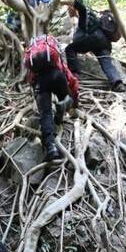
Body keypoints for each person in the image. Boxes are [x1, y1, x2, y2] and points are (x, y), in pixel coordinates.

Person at [24, 34, 80, 164]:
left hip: (42, 82)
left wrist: (38, 94)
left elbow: (31, 79)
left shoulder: (34, 61)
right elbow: (72, 81)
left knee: (46, 114)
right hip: (58, 76)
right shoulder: (55, 57)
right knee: (66, 96)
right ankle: (64, 106)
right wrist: (75, 102)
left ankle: (51, 148)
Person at [63, 0, 125, 91]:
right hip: (105, 43)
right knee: (106, 63)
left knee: (70, 49)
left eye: (69, 9)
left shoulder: (84, 15)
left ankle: (74, 76)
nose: (68, 12)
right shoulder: (94, 19)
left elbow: (81, 8)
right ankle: (117, 82)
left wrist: (66, 2)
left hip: (93, 38)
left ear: (73, 8)